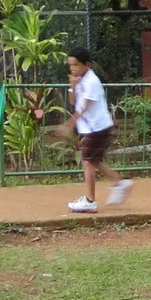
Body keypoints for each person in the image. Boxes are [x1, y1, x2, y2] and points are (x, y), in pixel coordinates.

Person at [58, 46, 132, 213]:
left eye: (76, 65)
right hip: (91, 127)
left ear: (87, 65)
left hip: (97, 127)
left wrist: (69, 124)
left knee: (88, 162)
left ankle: (90, 201)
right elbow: (73, 102)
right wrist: (72, 86)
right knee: (94, 161)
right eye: (70, 65)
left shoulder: (92, 81)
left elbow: (84, 107)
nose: (72, 68)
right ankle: (121, 182)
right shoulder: (80, 79)